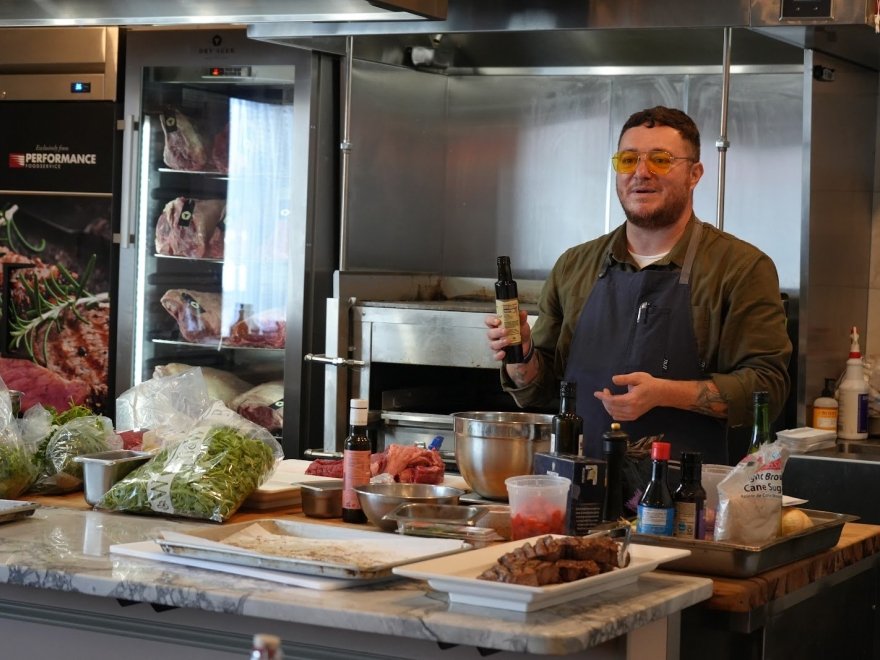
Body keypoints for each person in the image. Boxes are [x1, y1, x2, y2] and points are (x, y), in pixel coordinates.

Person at [485, 106, 792, 465]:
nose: (641, 173)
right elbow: (540, 388)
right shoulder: (575, 265)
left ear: (695, 174)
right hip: (580, 489)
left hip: (685, 500)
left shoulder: (740, 268)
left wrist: (666, 393)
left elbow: (767, 389)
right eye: (628, 160)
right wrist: (520, 356)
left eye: (660, 160)